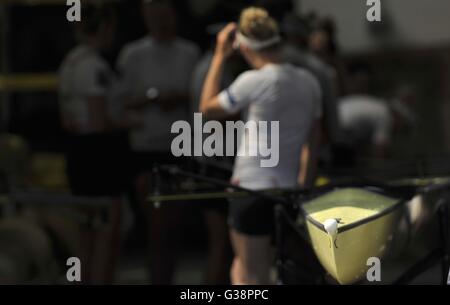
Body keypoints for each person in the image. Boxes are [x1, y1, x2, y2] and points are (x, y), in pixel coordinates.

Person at [199, 7, 322, 284]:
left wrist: (219, 55)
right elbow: (313, 143)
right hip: (288, 191)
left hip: (251, 189)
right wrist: (303, 186)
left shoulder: (252, 81)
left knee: (249, 275)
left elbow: (206, 108)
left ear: (243, 46)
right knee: (272, 269)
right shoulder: (309, 82)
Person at [116, 0, 200, 284]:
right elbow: (120, 102)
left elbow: (201, 98)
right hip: (146, 149)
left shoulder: (189, 52)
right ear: (144, 16)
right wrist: (153, 98)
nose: (161, 18)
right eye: (154, 13)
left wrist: (178, 97)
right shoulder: (132, 54)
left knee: (173, 228)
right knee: (156, 227)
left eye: (166, 11)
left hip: (178, 147)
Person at [58, 2, 126, 283]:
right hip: (97, 151)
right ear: (106, 27)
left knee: (85, 229)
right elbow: (98, 120)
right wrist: (129, 121)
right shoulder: (93, 66)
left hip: (76, 149)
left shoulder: (70, 62)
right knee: (106, 230)